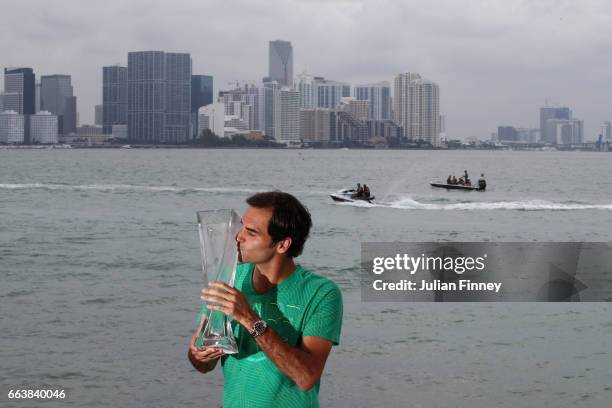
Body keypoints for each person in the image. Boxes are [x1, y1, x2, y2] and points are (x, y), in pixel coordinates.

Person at [188, 191, 343, 407]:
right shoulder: (229, 278)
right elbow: (203, 366)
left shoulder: (321, 293)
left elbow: (306, 377)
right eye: (241, 226)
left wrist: (250, 319)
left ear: (282, 245)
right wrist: (200, 354)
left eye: (251, 232)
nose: (238, 236)